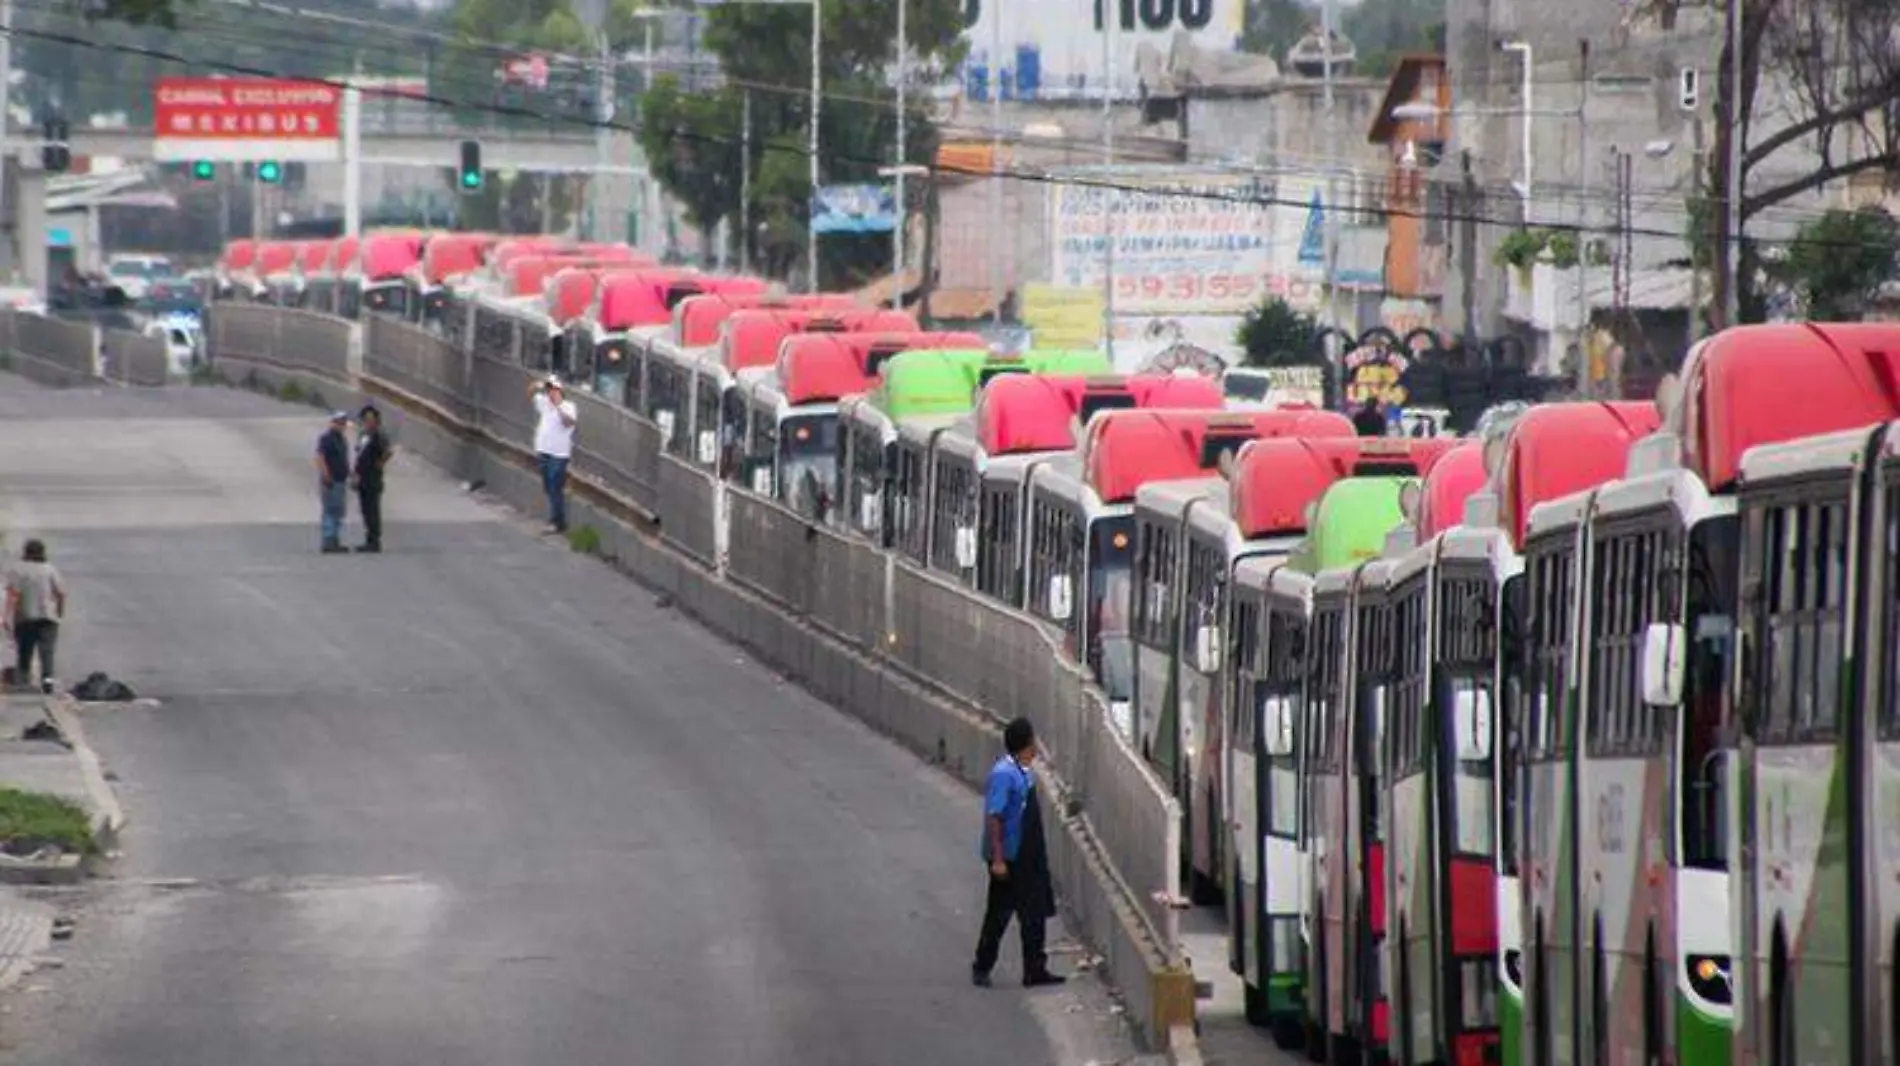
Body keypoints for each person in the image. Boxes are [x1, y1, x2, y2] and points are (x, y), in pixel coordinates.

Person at [971, 716, 1066, 989]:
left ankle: (1035, 969)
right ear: (1025, 744)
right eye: (1033, 740)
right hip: (1010, 857)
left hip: (1027, 855)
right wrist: (999, 859)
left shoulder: (1024, 772)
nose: (1036, 745)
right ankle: (982, 966)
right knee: (999, 913)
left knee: (1034, 913)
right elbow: (996, 817)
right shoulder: (1005, 774)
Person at [6, 540, 66, 696]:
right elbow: (60, 593)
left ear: (25, 552)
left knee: (25, 650)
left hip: (25, 616)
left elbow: (13, 595)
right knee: (47, 651)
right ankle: (47, 680)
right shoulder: (49, 569)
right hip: (48, 617)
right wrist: (59, 611)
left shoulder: (17, 570)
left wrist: (6, 616)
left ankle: (23, 680)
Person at [530, 376, 578, 535]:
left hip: (559, 453)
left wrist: (558, 406)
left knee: (555, 486)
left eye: (554, 390)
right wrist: (538, 384)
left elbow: (569, 423)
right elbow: (530, 393)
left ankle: (556, 521)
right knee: (548, 485)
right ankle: (557, 517)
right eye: (549, 390)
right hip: (544, 450)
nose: (551, 393)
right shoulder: (544, 403)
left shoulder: (568, 406)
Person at [351, 404, 394, 553]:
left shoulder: (379, 434)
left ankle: (375, 540)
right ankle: (368, 538)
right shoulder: (363, 434)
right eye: (366, 419)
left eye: (371, 419)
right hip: (362, 475)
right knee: (364, 509)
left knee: (372, 509)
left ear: (376, 420)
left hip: (373, 477)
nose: (368, 422)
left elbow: (388, 451)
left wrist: (381, 463)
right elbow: (359, 454)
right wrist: (355, 474)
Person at [315, 410, 351, 554]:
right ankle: (328, 540)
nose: (341, 425)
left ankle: (335, 539)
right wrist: (326, 474)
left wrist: (350, 474)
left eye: (343, 423)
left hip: (341, 480)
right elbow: (320, 456)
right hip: (331, 480)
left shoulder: (341, 439)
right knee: (330, 510)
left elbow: (344, 460)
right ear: (332, 423)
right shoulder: (327, 438)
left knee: (338, 511)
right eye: (338, 422)